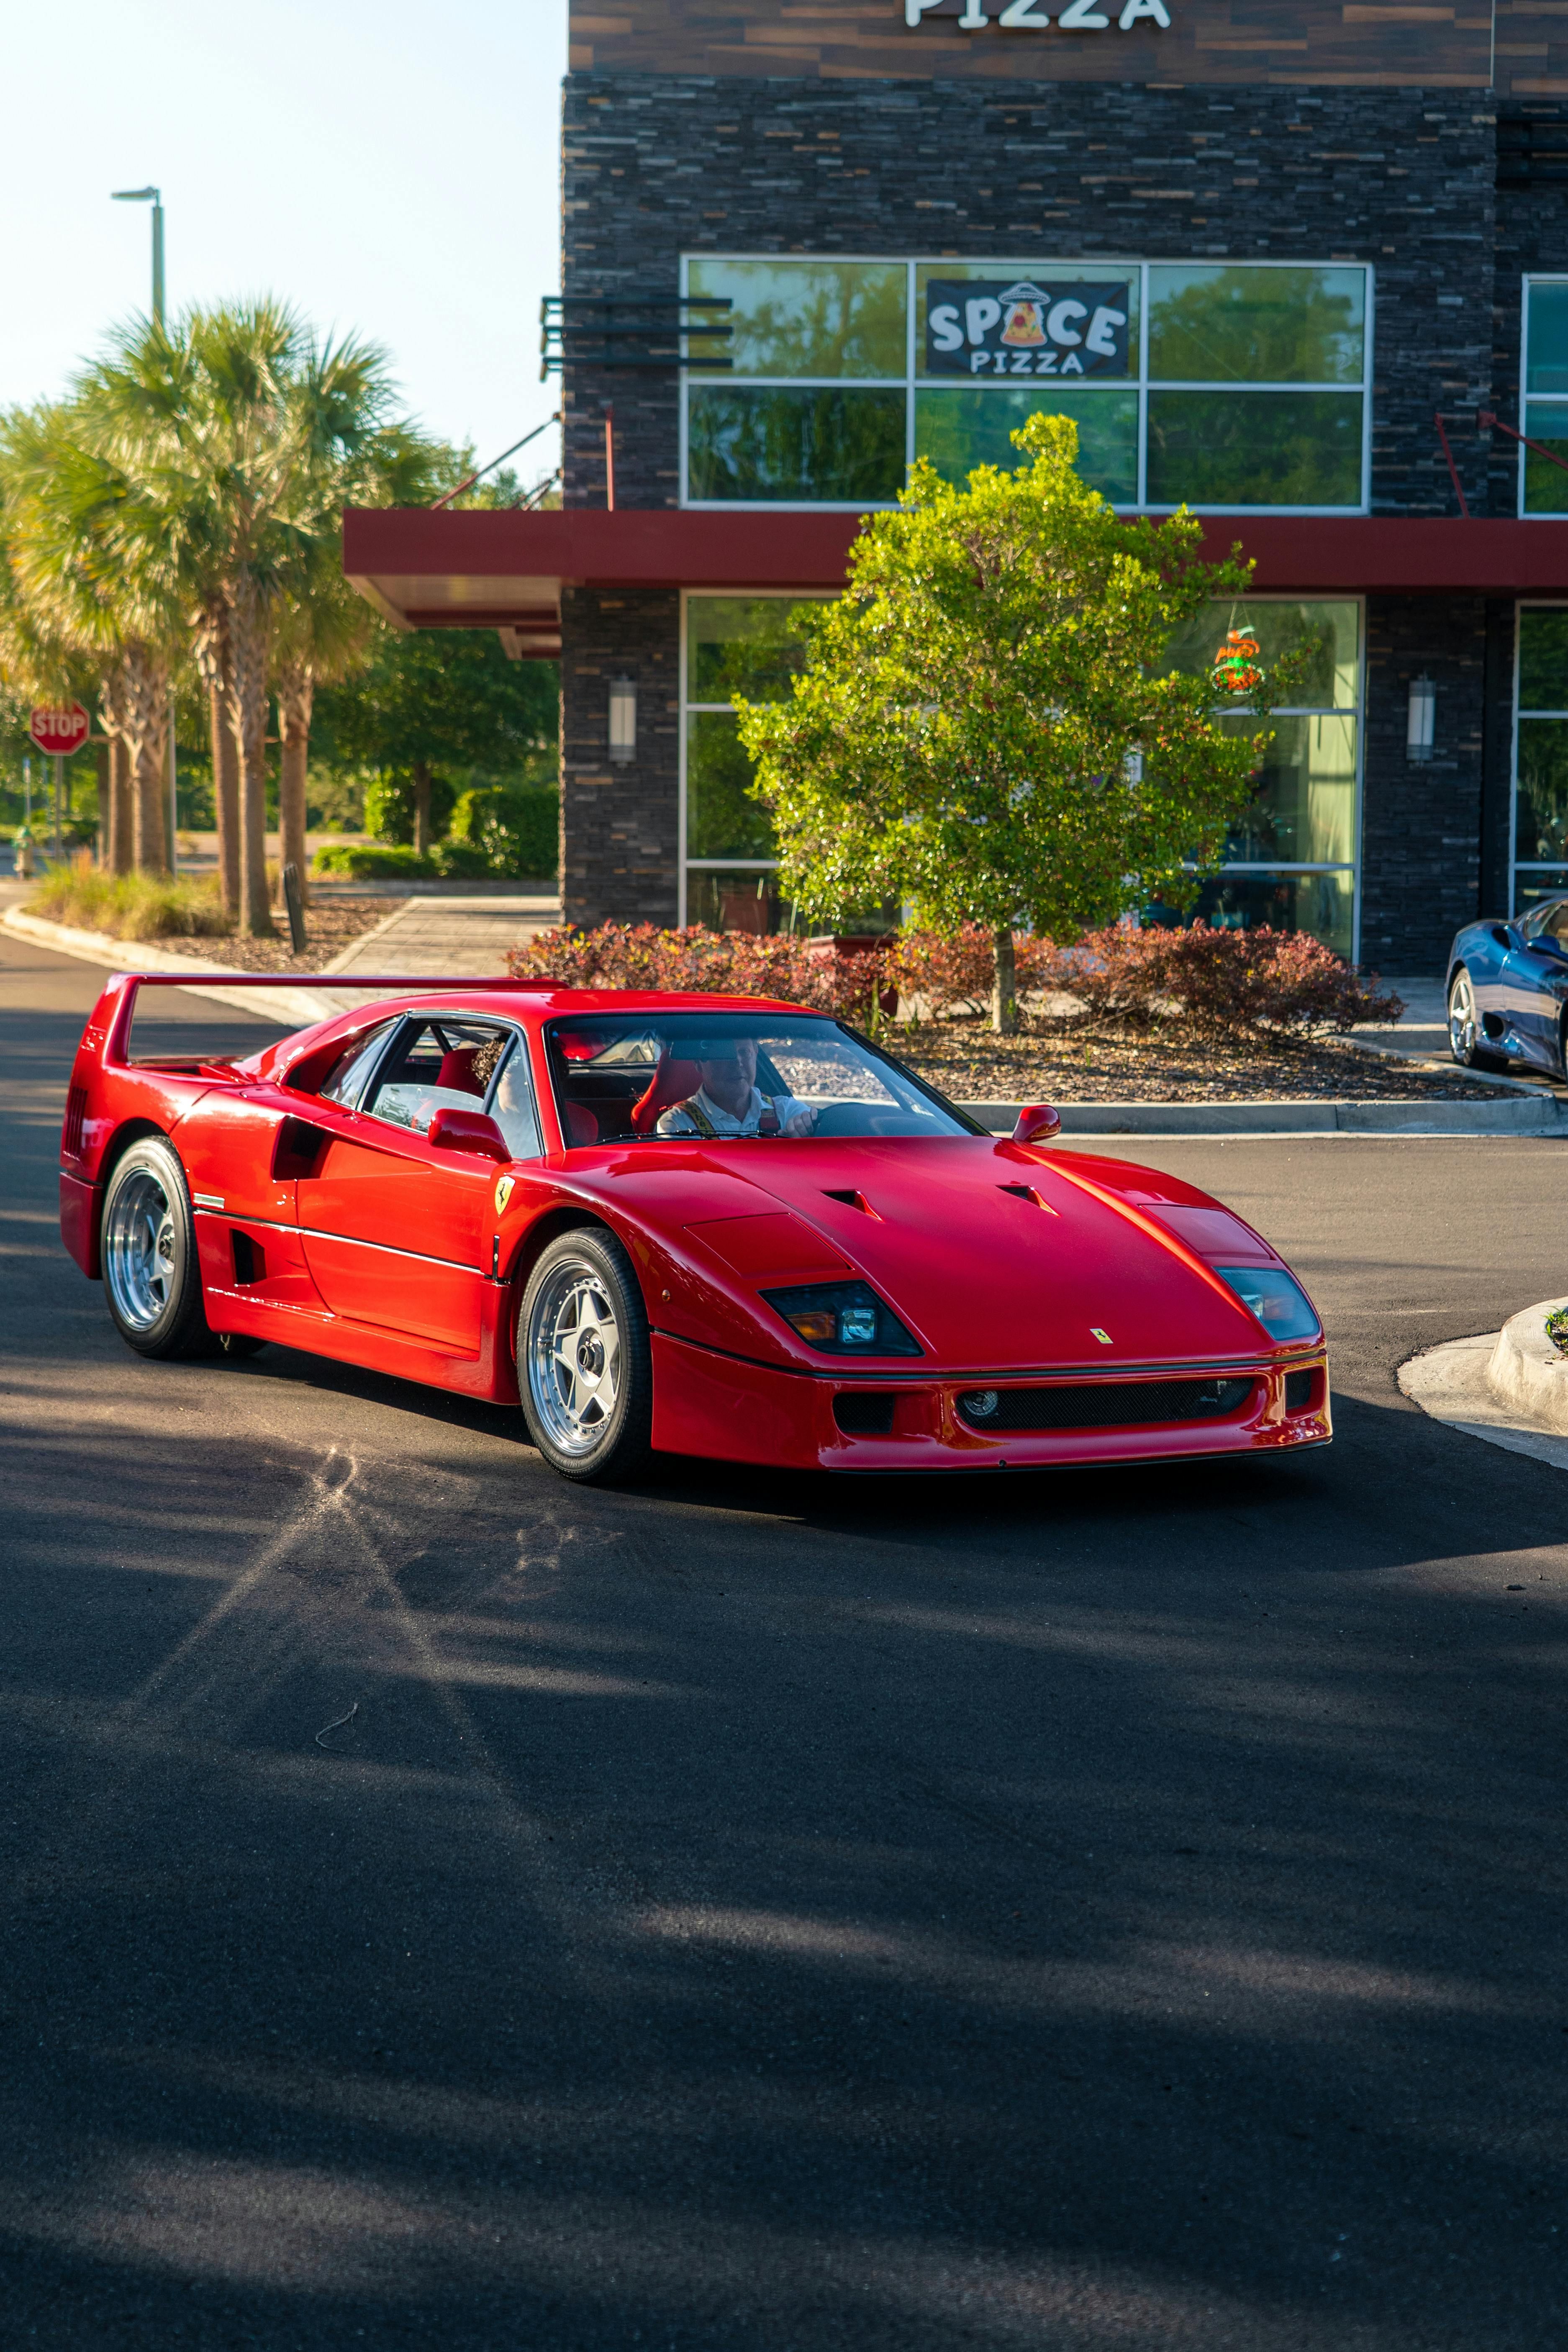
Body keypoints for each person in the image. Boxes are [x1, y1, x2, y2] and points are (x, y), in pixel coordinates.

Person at [656, 1034, 817, 1138]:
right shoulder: (678, 1125)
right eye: (724, 1055)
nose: (737, 1063)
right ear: (698, 1064)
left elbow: (824, 1122)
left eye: (744, 1052)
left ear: (755, 1053)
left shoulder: (786, 1110)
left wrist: (806, 1129)